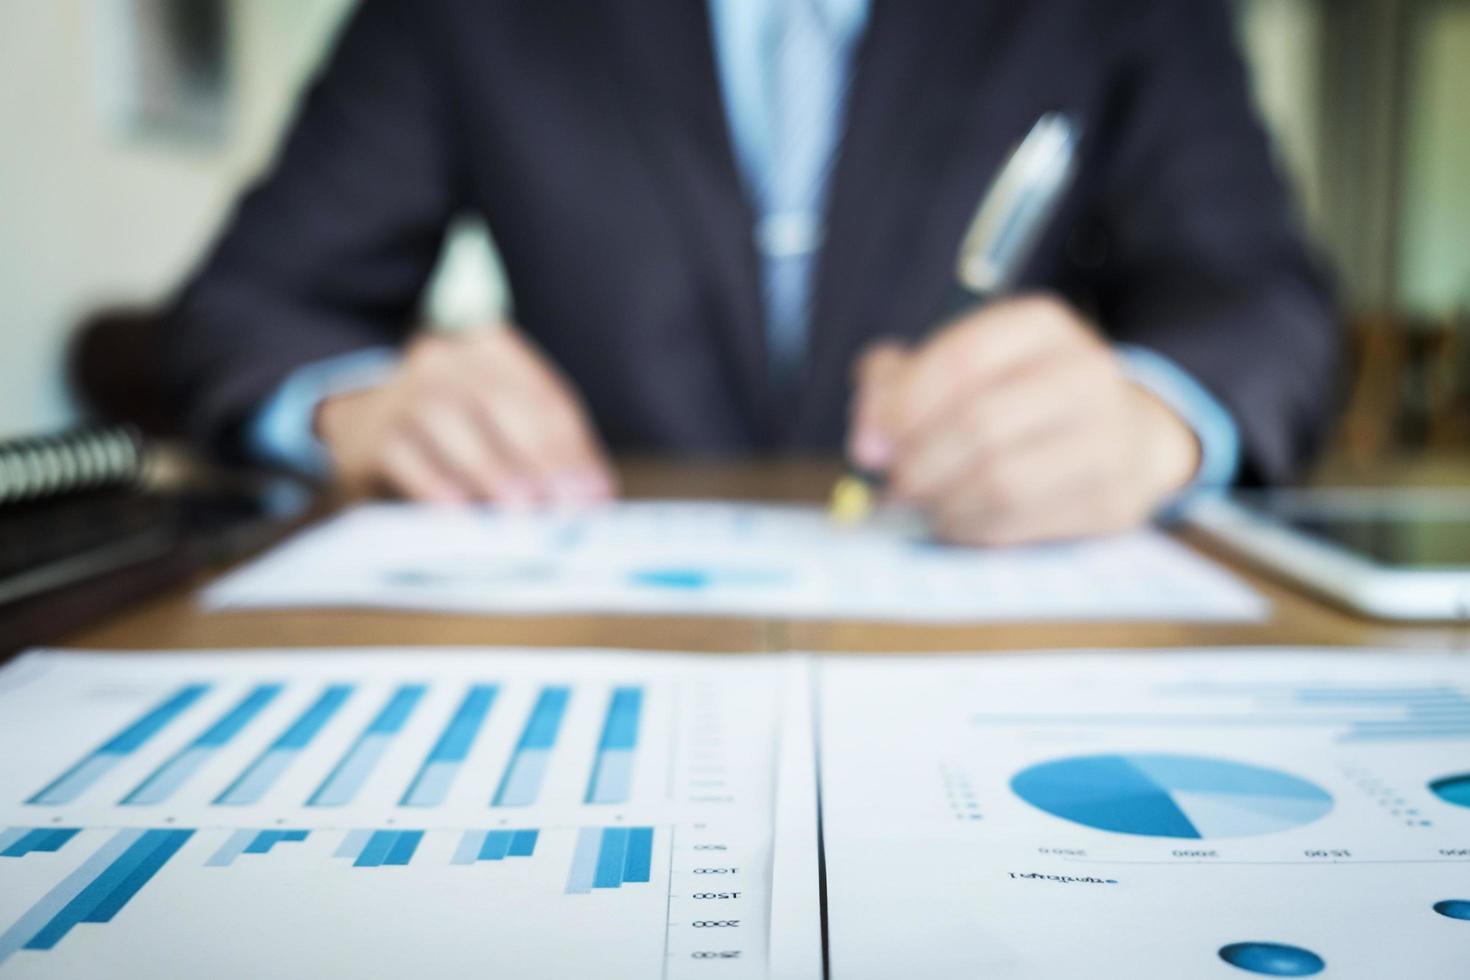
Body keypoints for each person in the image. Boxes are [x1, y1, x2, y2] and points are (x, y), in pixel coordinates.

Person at [162, 0, 1340, 546]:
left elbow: (1262, 300)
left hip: (1006, 617)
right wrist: (352, 398)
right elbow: (246, 307)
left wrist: (1154, 421)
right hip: (589, 619)